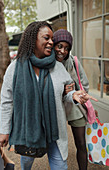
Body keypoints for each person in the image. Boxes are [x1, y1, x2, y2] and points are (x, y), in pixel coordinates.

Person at [0, 21, 97, 170]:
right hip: (29, 130)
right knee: (26, 162)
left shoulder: (57, 67)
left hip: (54, 129)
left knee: (60, 166)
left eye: (52, 38)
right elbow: (7, 101)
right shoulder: (15, 67)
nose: (51, 42)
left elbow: (67, 92)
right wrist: (4, 131)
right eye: (46, 38)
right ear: (33, 39)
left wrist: (74, 95)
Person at [53, 29, 91, 170]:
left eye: (66, 48)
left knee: (81, 143)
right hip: (57, 107)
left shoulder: (74, 61)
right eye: (59, 46)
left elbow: (85, 84)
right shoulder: (47, 63)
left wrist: (77, 93)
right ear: (53, 45)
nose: (62, 51)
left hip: (75, 107)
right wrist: (61, 92)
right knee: (56, 144)